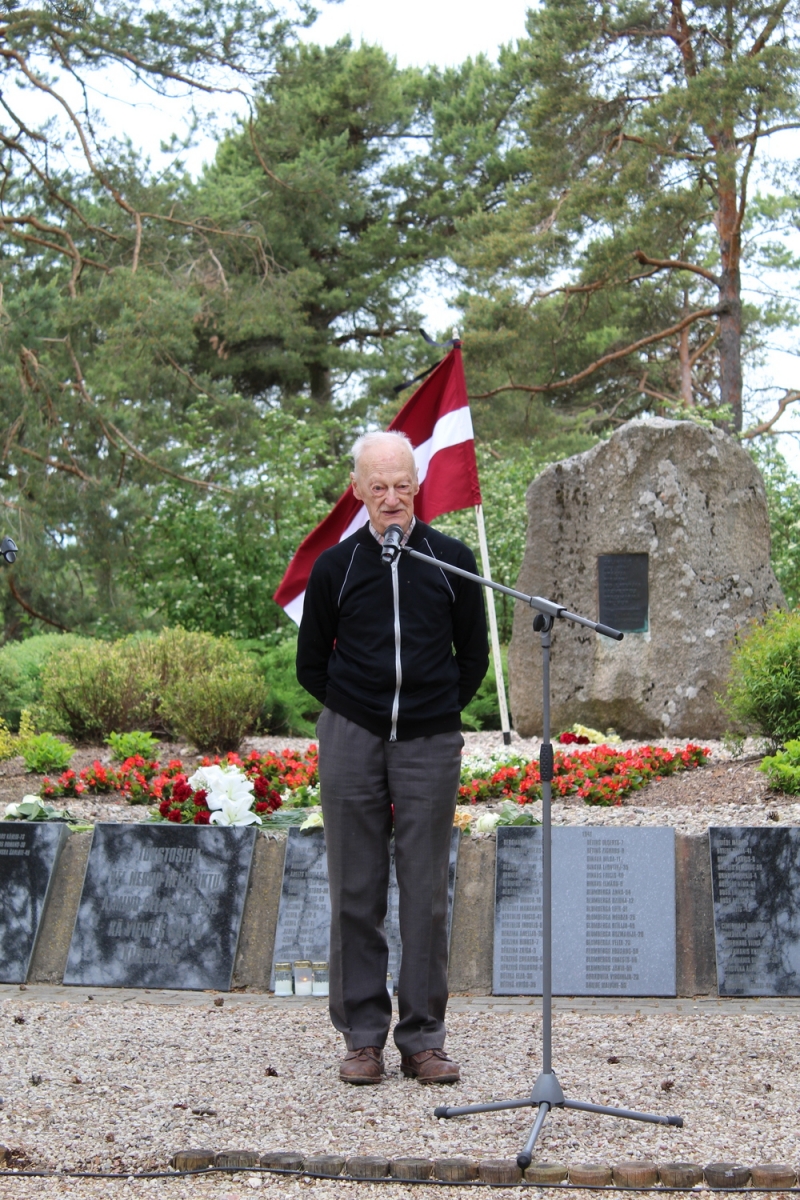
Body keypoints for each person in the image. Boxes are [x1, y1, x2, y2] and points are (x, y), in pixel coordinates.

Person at [296, 430, 489, 1085]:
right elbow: (311, 664)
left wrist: (432, 712)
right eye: (377, 486)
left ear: (417, 487)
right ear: (357, 491)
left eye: (402, 484)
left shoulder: (452, 561)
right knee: (356, 889)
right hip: (352, 739)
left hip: (430, 742)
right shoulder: (336, 567)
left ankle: (423, 1039)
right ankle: (362, 1036)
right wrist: (360, 712)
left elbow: (474, 658)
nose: (391, 497)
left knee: (427, 893)